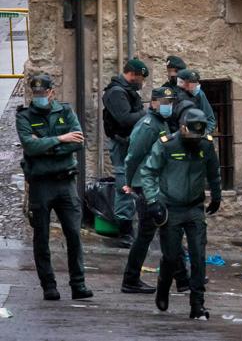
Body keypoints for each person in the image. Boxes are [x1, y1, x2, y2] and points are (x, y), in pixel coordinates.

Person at [16, 74, 93, 300]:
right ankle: (48, 285)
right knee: (41, 237)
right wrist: (61, 140)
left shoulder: (65, 112)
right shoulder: (24, 116)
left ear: (52, 92)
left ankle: (78, 285)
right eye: (36, 94)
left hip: (65, 182)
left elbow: (78, 141)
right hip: (41, 184)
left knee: (73, 235)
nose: (40, 97)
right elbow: (30, 147)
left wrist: (46, 146)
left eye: (43, 93)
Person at [142, 109, 222, 320]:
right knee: (171, 256)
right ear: (182, 127)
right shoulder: (167, 144)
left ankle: (197, 304)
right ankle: (163, 287)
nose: (195, 139)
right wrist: (152, 200)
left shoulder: (205, 144)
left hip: (195, 207)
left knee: (198, 256)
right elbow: (149, 172)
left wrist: (216, 196)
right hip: (171, 207)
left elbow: (214, 171)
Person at [120, 87, 191, 294]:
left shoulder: (161, 123)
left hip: (157, 186)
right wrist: (130, 182)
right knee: (157, 232)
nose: (167, 105)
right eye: (163, 102)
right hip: (147, 187)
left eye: (169, 102)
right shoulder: (149, 126)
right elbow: (133, 155)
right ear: (153, 103)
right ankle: (180, 278)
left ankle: (181, 278)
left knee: (160, 232)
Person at [103, 58, 148, 248]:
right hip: (122, 145)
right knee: (124, 184)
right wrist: (147, 113)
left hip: (130, 143)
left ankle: (132, 228)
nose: (142, 83)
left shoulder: (125, 90)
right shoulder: (116, 92)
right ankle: (124, 231)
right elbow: (125, 119)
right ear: (133, 75)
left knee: (135, 183)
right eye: (142, 78)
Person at [174, 69, 216, 134]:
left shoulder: (199, 94)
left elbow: (210, 120)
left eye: (196, 82)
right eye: (191, 82)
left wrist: (204, 134)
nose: (195, 85)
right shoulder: (174, 95)